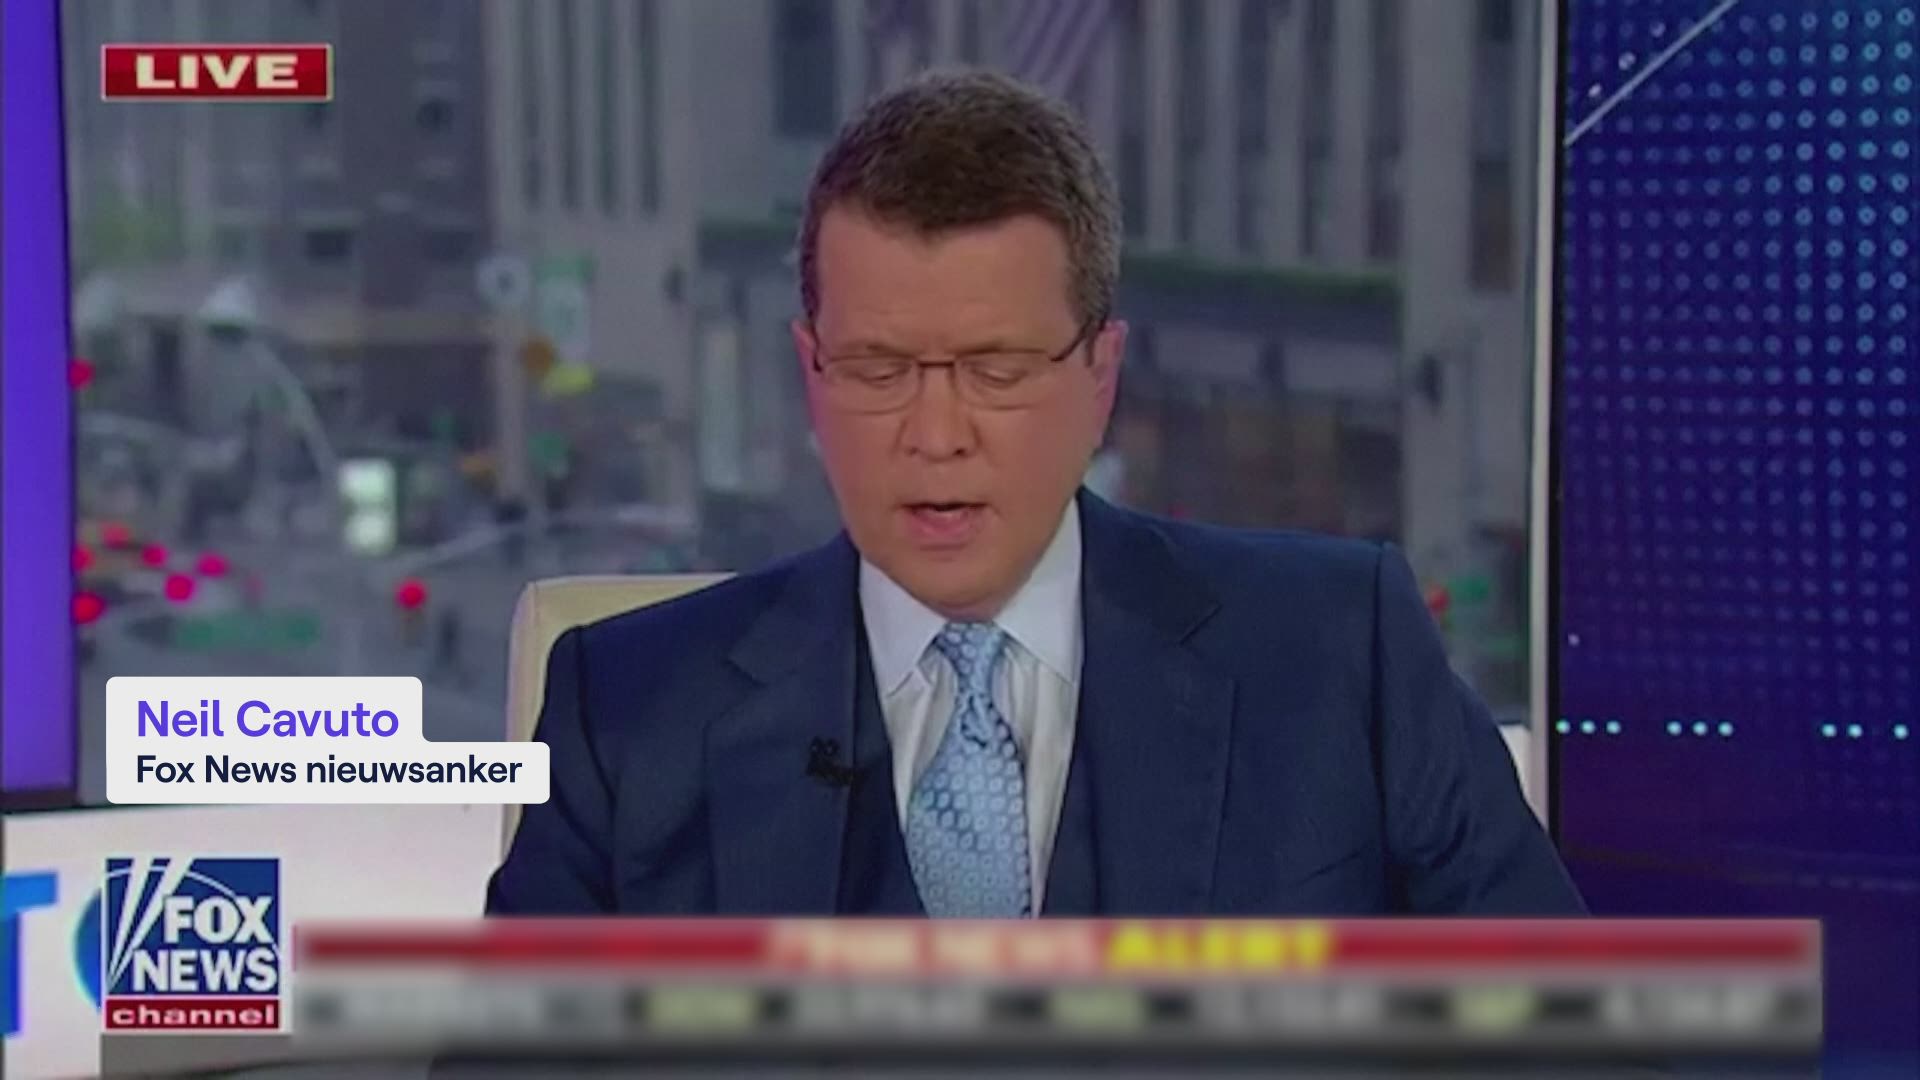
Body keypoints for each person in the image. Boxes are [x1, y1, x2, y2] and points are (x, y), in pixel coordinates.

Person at [488, 70, 1583, 917]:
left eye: (997, 371)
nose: (936, 436)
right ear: (810, 371)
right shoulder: (624, 711)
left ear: (1100, 374)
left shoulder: (1346, 657)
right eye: (878, 370)